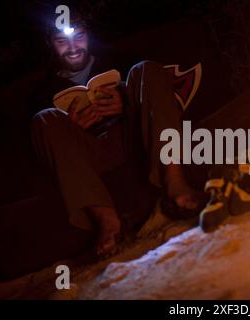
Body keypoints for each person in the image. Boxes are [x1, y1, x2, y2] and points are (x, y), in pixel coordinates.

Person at [30, 13, 205, 257]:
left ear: (88, 35)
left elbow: (154, 95)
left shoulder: (118, 60)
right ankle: (108, 222)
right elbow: (48, 147)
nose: (72, 48)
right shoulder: (44, 91)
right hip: (91, 154)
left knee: (145, 69)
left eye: (79, 37)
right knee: (44, 117)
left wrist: (126, 102)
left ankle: (176, 184)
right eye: (62, 41)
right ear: (50, 44)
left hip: (133, 138)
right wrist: (70, 128)